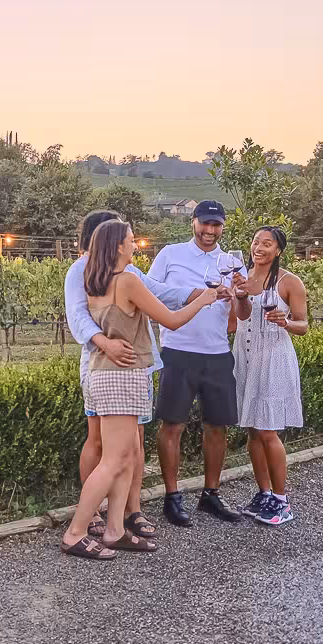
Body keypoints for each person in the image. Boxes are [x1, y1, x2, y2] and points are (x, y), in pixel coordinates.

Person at [61, 220, 220, 560]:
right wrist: (205, 298)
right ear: (118, 246)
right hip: (123, 375)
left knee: (124, 456)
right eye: (133, 241)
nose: (138, 245)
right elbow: (171, 319)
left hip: (107, 373)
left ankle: (115, 528)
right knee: (114, 460)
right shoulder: (127, 281)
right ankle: (75, 532)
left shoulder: (95, 281)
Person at [146, 201, 247, 526]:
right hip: (178, 350)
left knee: (217, 426)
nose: (210, 231)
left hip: (217, 353)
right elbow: (149, 295)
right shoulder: (170, 255)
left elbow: (237, 321)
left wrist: (237, 298)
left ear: (222, 226)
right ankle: (172, 497)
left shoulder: (232, 263)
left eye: (216, 225)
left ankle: (211, 495)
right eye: (205, 224)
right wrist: (190, 295)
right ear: (193, 223)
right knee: (172, 425)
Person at [232, 225, 309, 526]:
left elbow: (303, 324)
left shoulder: (290, 282)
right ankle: (264, 494)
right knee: (252, 428)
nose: (259, 248)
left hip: (273, 357)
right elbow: (240, 315)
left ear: (278, 250)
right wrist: (239, 294)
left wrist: (286, 321)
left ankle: (282, 500)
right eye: (255, 242)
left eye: (267, 243)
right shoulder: (244, 277)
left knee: (267, 431)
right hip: (246, 356)